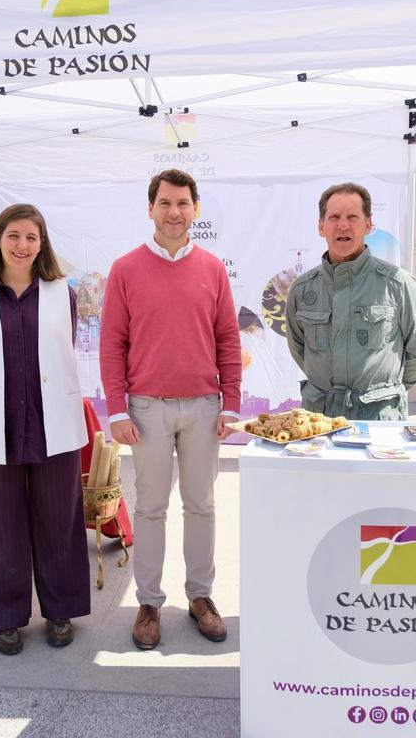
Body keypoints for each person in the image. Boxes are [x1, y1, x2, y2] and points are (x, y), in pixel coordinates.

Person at [100, 168, 242, 651]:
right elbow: (112, 344)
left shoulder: (213, 268)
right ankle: (148, 603)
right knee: (152, 507)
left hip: (204, 406)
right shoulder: (125, 268)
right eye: (165, 203)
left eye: (183, 203)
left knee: (202, 505)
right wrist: (117, 409)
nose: (174, 212)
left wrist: (232, 403)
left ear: (195, 209)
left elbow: (228, 338)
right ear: (150, 209)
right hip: (146, 409)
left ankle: (201, 597)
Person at [0, 203, 90, 656]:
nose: (22, 245)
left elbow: (62, 352)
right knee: (0, 526)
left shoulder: (59, 293)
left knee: (59, 520)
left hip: (53, 423)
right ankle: (6, 620)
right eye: (13, 236)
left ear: (42, 244)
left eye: (31, 238)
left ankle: (61, 610)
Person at [285, 182, 416, 420]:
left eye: (352, 216)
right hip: (320, 420)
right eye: (334, 217)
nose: (343, 225)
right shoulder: (302, 289)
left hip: (378, 420)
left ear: (368, 225)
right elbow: (299, 347)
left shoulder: (397, 284)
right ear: (321, 226)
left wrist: (387, 392)